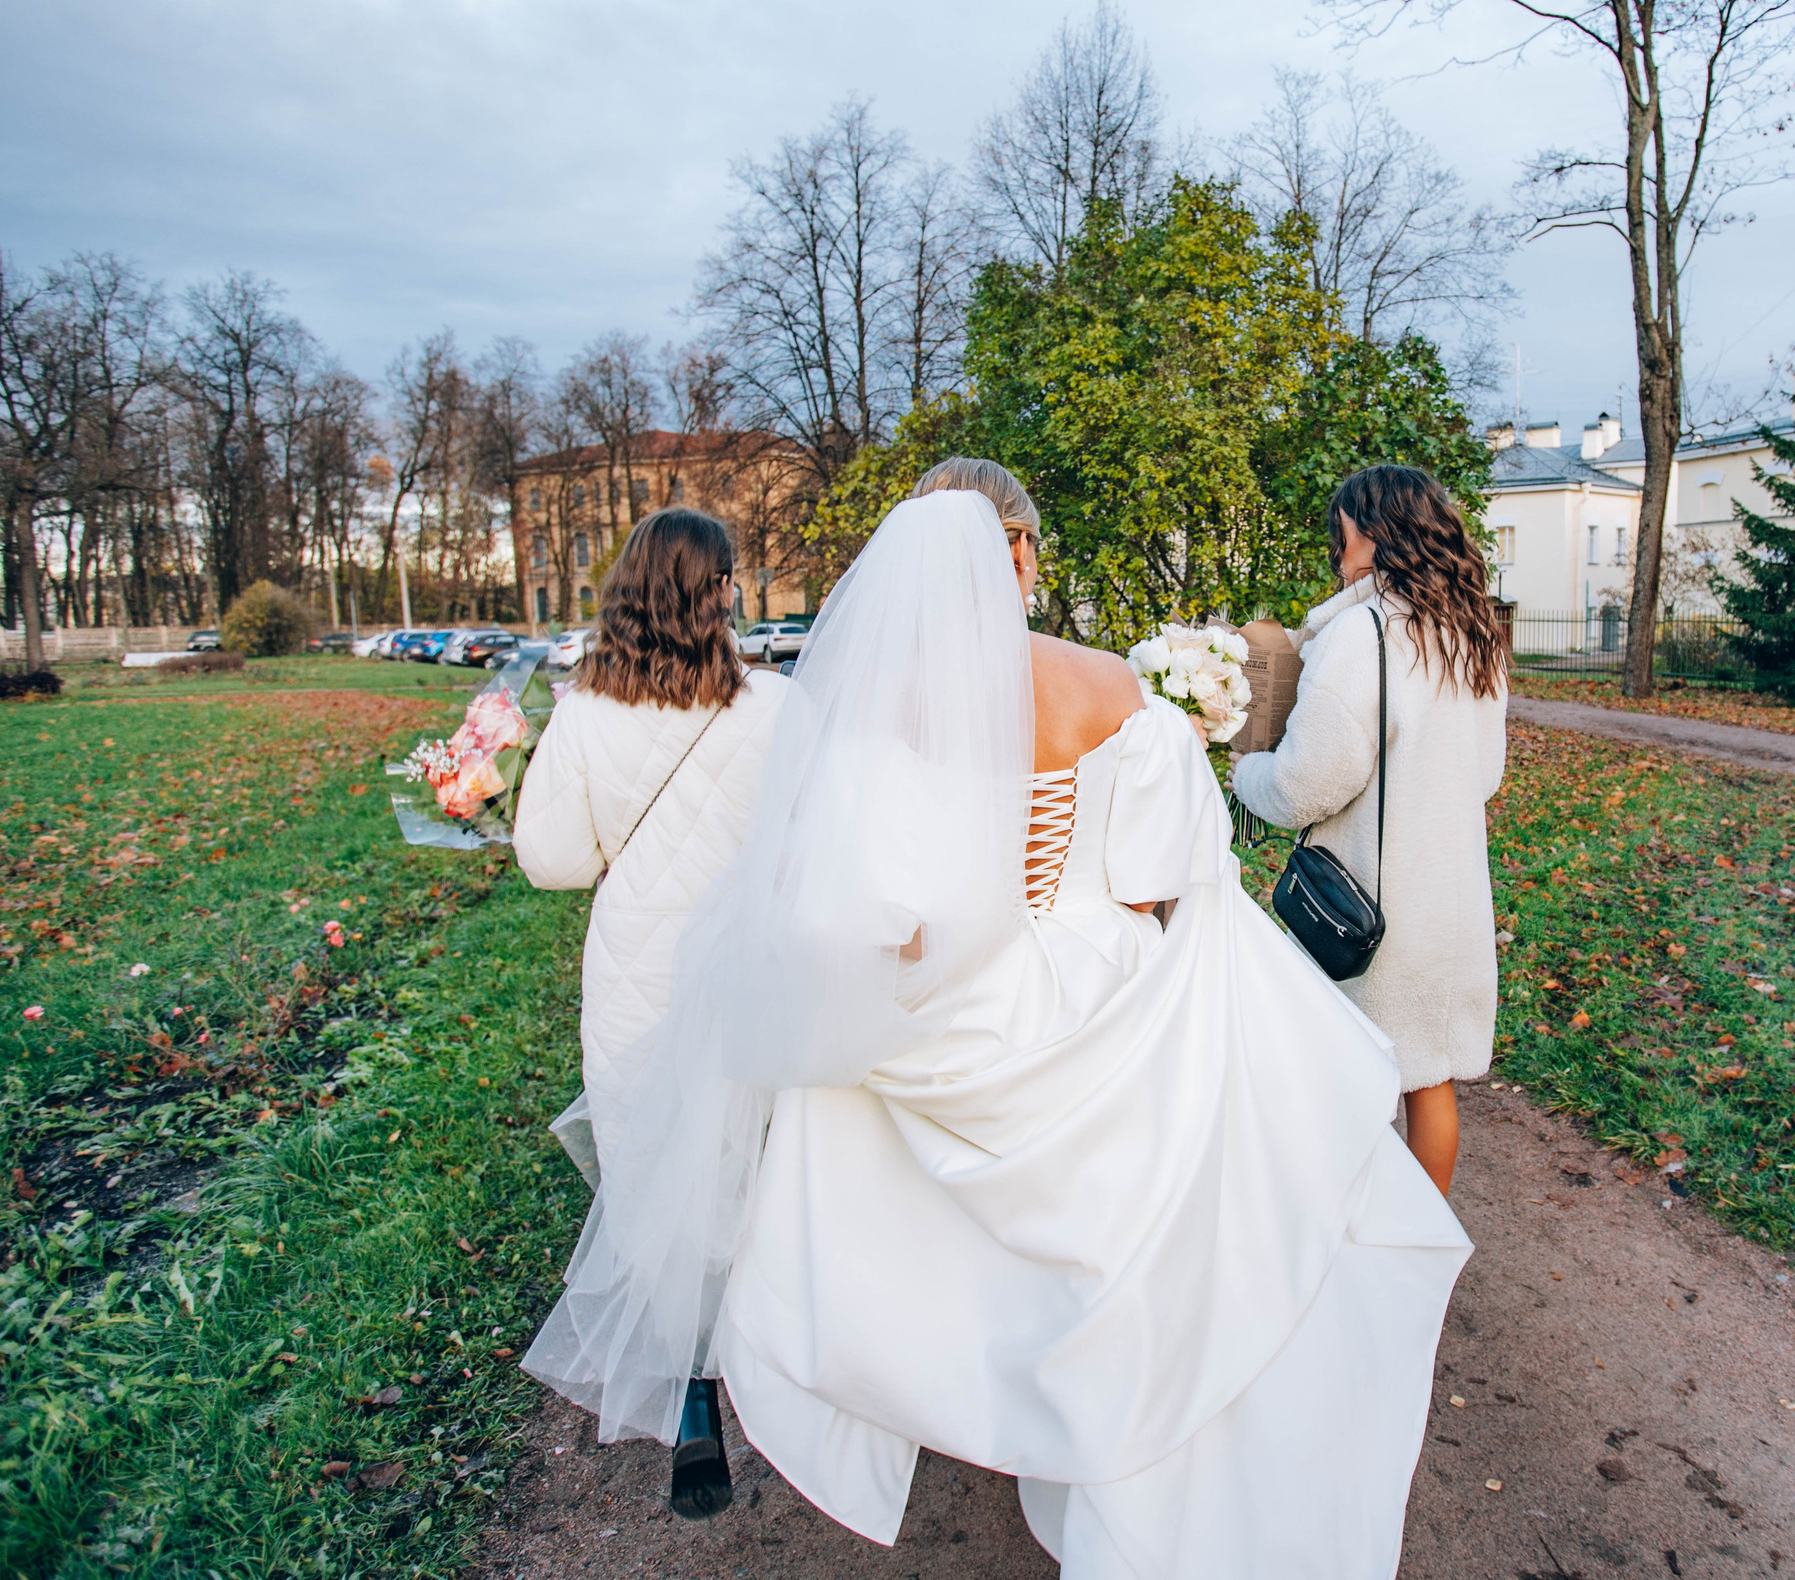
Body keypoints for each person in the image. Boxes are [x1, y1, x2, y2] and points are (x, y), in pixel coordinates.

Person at [523, 458, 1470, 1578]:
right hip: (1095, 975)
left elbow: (875, 909)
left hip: (956, 1002)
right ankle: (1102, 1421)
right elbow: (1155, 878)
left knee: (906, 1185)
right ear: (1018, 554)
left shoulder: (877, 705)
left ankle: (974, 1384)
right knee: (1125, 1237)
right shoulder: (1112, 687)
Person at [511, 506, 789, 1516]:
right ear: (717, 593)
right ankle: (779, 1364)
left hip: (636, 960)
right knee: (751, 1159)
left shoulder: (584, 712)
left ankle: (688, 1402)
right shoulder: (772, 709)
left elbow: (551, 863)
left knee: (646, 1165)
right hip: (746, 960)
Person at [1231, 464, 1510, 1196]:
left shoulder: (1362, 635)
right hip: (1450, 904)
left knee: (1333, 1080)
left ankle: (1342, 1253)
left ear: (1372, 532)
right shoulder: (1471, 634)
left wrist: (1243, 774)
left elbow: (1302, 784)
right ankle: (1422, 1260)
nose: (1338, 546)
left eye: (1343, 530)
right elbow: (1484, 773)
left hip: (1372, 908)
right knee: (1430, 1082)